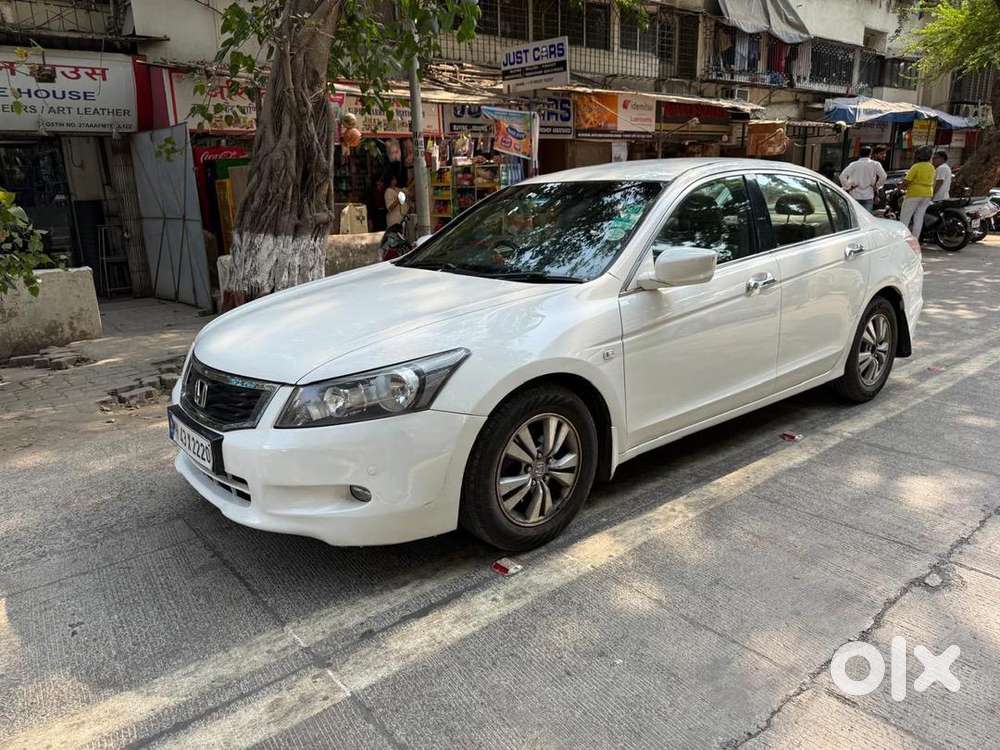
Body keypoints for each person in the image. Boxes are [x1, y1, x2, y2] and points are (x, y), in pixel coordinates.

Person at [899, 146, 936, 237]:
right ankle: (916, 238)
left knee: (905, 217)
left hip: (914, 193)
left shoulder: (916, 166)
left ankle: (902, 238)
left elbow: (907, 181)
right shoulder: (932, 167)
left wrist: (899, 188)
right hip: (928, 194)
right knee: (919, 217)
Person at [839, 145, 887, 212]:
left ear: (860, 154)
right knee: (866, 216)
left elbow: (842, 176)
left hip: (854, 194)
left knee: (855, 215)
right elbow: (883, 176)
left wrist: (847, 187)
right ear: (870, 154)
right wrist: (877, 186)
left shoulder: (853, 164)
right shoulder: (875, 164)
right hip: (868, 195)